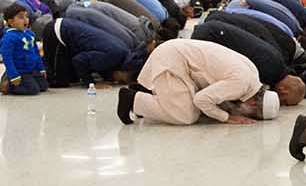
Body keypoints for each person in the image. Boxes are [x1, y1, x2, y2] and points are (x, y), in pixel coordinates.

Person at [117, 38, 279, 126]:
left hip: (177, 53)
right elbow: (201, 100)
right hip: (172, 58)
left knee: (193, 110)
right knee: (187, 116)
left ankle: (148, 93)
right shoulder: (240, 84)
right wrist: (226, 117)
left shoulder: (253, 75)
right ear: (252, 104)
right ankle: (132, 99)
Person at [0, 5, 48, 96]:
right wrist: (13, 75)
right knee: (33, 90)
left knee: (44, 86)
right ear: (11, 22)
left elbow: (36, 53)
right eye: (21, 17)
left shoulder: (30, 34)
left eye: (26, 16)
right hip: (20, 71)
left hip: (31, 69)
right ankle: (7, 85)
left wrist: (41, 68)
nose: (25, 19)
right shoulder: (9, 37)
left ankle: (22, 80)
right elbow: (7, 59)